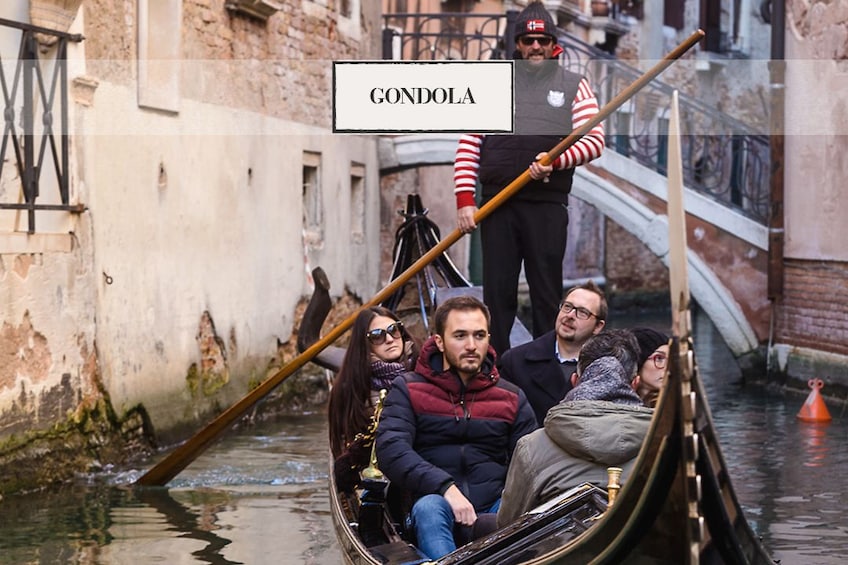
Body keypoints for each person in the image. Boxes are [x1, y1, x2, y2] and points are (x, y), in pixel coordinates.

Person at [453, 0, 605, 356]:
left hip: (546, 206)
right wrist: (464, 202)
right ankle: (495, 367)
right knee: (497, 294)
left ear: (554, 46)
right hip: (497, 204)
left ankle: (546, 365)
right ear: (517, 45)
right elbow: (468, 144)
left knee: (546, 294)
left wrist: (556, 161)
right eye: (527, 40)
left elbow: (595, 142)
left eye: (541, 41)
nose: (535, 47)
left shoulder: (574, 86)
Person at [375, 295, 537, 560]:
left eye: (479, 335)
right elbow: (391, 450)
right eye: (460, 336)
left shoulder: (511, 397)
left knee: (518, 512)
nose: (471, 345)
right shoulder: (409, 389)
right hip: (432, 504)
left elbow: (532, 461)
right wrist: (445, 488)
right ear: (439, 341)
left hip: (495, 505)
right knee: (429, 508)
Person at [497, 329, 654, 526]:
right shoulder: (663, 446)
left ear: (574, 381)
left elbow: (509, 525)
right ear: (636, 383)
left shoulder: (531, 447)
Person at [328, 307, 417, 492]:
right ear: (365, 344)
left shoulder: (425, 368)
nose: (390, 339)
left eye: (394, 329)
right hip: (377, 472)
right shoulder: (350, 387)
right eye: (377, 335)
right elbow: (347, 441)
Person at [499, 280, 607, 426]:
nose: (570, 315)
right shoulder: (515, 362)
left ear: (598, 327)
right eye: (567, 307)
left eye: (582, 312)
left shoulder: (608, 369)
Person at [632, 327, 670, 408]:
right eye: (659, 358)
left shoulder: (674, 406)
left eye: (671, 360)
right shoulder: (613, 403)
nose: (668, 367)